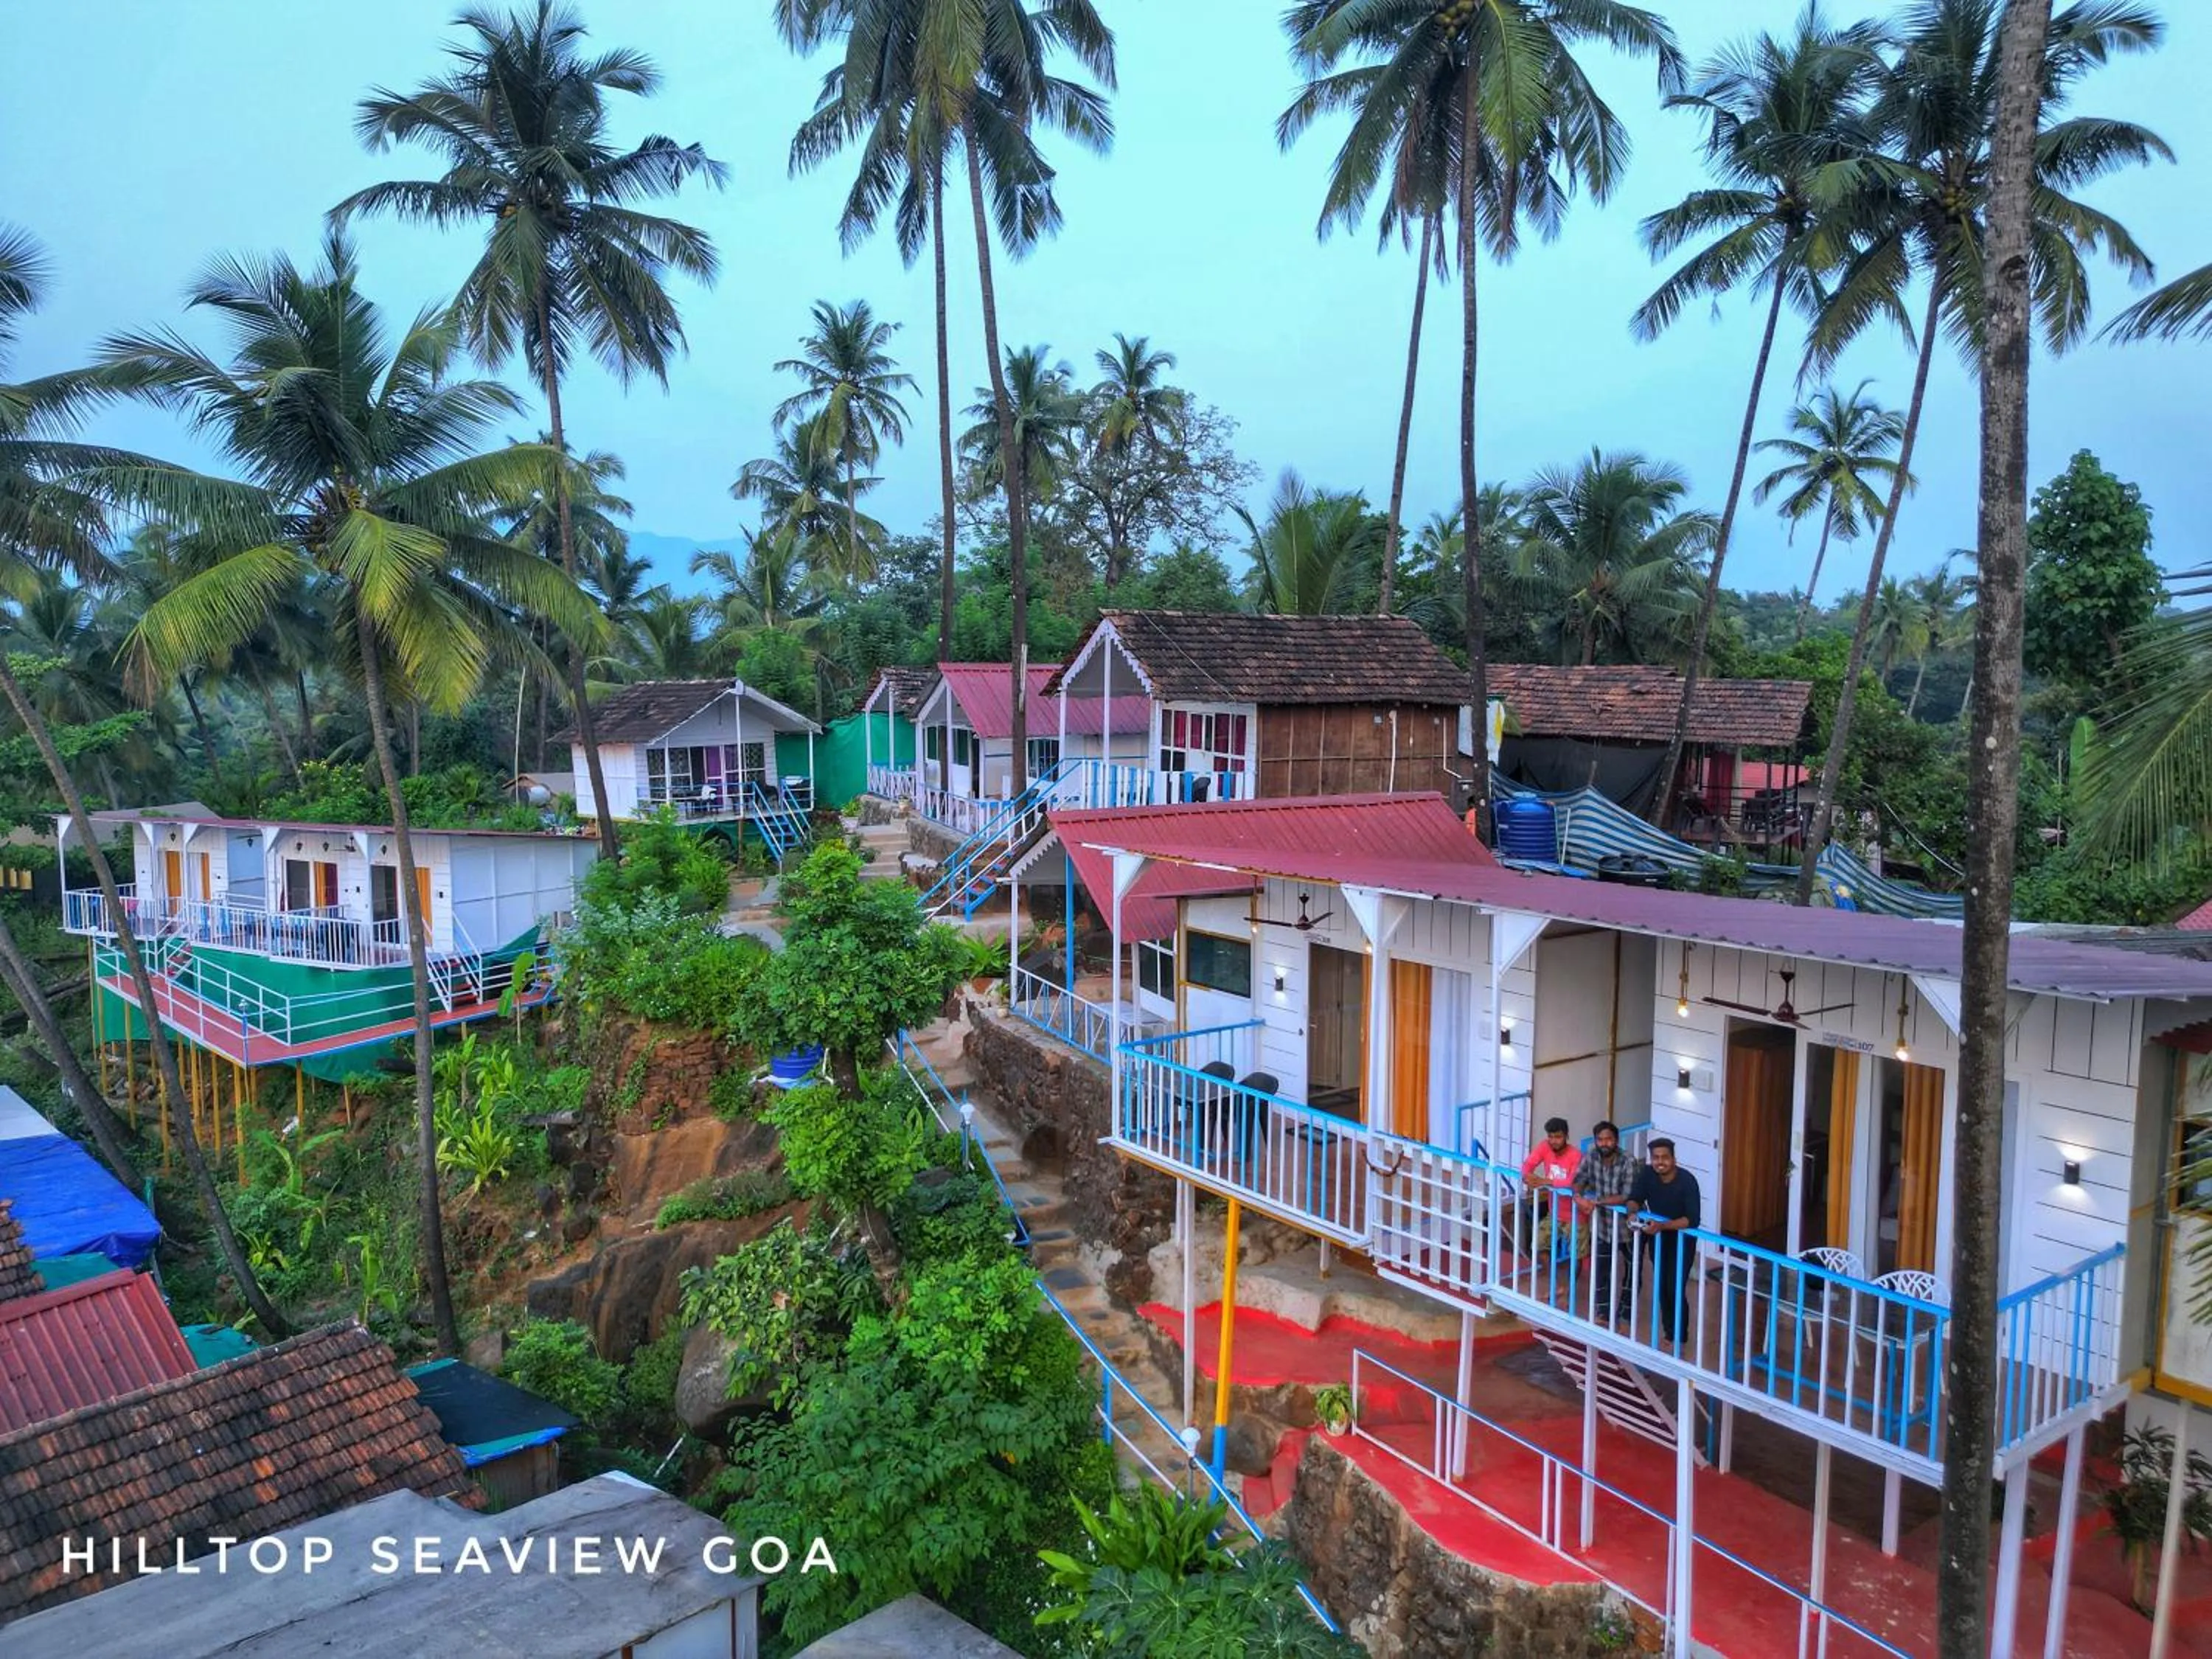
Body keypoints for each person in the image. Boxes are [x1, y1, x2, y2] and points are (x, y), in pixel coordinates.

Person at [1628, 1138, 1703, 1348]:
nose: (1660, 1162)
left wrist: (1663, 1226)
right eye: (1656, 1158)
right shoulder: (1648, 1174)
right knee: (1662, 1286)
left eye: (1665, 1157)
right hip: (1659, 1239)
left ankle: (1680, 1335)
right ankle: (1669, 1332)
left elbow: (1692, 1219)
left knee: (1675, 1286)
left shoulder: (1687, 1181)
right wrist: (1632, 1213)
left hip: (1682, 1241)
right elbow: (1635, 1197)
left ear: (1673, 1159)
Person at [1571, 1121, 1636, 1321]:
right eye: (1600, 1139)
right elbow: (1578, 1180)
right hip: (1602, 1227)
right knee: (1601, 1271)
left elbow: (1626, 1194)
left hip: (1628, 1227)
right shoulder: (1591, 1156)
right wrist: (1579, 1197)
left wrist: (1596, 1202)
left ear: (1616, 1140)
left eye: (1609, 1139)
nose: (1604, 1143)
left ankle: (1625, 1314)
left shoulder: (1628, 1160)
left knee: (1632, 1273)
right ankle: (1603, 1312)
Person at [1515, 1118, 1582, 1252]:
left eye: (1558, 1137)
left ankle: (1570, 1274)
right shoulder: (1545, 1147)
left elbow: (1571, 1182)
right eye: (1550, 1137)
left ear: (1566, 1136)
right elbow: (1528, 1164)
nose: (1553, 1141)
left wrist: (1543, 1181)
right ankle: (1551, 1273)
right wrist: (1527, 1177)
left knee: (1576, 1256)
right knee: (1538, 1245)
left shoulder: (1576, 1155)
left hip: (1576, 1215)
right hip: (1554, 1213)